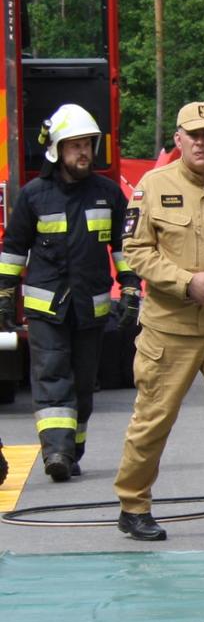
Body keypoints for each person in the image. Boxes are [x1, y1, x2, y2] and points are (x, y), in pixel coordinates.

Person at [112, 101, 204, 545]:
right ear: (178, 139)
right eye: (192, 135)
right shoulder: (153, 186)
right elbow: (136, 251)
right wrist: (185, 282)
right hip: (169, 327)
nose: (200, 143)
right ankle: (133, 504)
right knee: (153, 420)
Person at [0, 104, 139, 482]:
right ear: (56, 149)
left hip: (90, 307)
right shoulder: (34, 196)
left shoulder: (108, 194)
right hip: (46, 308)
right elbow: (14, 248)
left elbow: (124, 247)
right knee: (52, 377)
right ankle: (56, 452)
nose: (83, 153)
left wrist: (130, 285)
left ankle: (72, 449)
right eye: (75, 145)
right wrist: (5, 292)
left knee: (83, 385)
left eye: (88, 145)